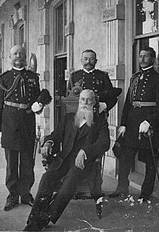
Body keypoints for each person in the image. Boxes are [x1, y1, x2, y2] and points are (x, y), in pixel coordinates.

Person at [22, 89, 110, 231]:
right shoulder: (69, 118)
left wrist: (85, 151)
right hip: (63, 160)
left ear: (94, 103)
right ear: (78, 101)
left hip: (83, 164)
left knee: (68, 184)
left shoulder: (100, 123)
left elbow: (104, 143)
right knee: (47, 178)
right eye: (82, 99)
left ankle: (42, 220)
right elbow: (56, 135)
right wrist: (49, 142)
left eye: (89, 100)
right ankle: (34, 219)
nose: (85, 103)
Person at [0, 45, 52, 211]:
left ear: (25, 57)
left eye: (22, 54)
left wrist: (38, 105)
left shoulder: (33, 77)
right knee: (11, 163)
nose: (19, 56)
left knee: (27, 161)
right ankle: (12, 195)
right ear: (10, 57)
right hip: (9, 124)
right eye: (15, 54)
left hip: (27, 123)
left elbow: (38, 101)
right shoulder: (3, 79)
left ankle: (25, 194)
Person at [109, 46, 159, 202]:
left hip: (149, 126)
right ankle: (121, 188)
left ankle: (145, 193)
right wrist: (123, 124)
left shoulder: (158, 79)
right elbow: (128, 103)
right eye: (140, 56)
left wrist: (150, 121)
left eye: (146, 56)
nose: (142, 59)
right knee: (125, 158)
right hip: (132, 124)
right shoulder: (134, 78)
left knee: (150, 161)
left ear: (153, 59)